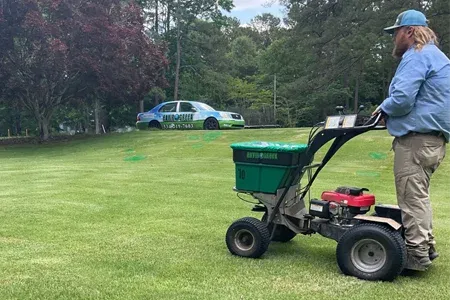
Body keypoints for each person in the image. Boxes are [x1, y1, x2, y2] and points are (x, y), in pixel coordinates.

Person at [373, 9, 450, 271]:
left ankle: (416, 255)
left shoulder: (416, 55)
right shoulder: (438, 58)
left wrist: (383, 107)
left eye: (395, 32)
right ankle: (427, 246)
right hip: (434, 141)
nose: (394, 38)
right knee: (419, 197)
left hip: (416, 141)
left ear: (409, 31)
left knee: (410, 197)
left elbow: (403, 98)